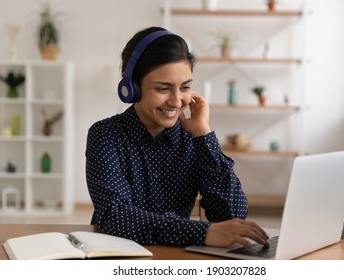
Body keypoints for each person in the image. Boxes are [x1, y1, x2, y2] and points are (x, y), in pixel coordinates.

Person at [85, 26, 269, 248]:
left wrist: (203, 135)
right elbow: (116, 216)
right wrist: (203, 233)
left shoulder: (194, 137)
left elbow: (231, 213)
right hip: (119, 255)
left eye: (185, 87)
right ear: (130, 85)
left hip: (176, 255)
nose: (176, 101)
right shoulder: (105, 135)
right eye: (163, 89)